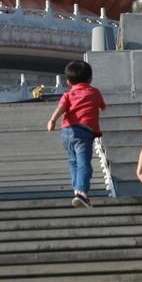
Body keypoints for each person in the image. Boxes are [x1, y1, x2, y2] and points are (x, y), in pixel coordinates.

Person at [45, 60, 106, 208]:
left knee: (73, 162)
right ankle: (82, 193)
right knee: (84, 164)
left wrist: (52, 120)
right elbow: (102, 107)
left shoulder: (68, 94)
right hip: (84, 133)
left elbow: (61, 107)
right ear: (90, 79)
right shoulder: (94, 92)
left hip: (67, 132)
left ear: (68, 81)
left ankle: (77, 190)